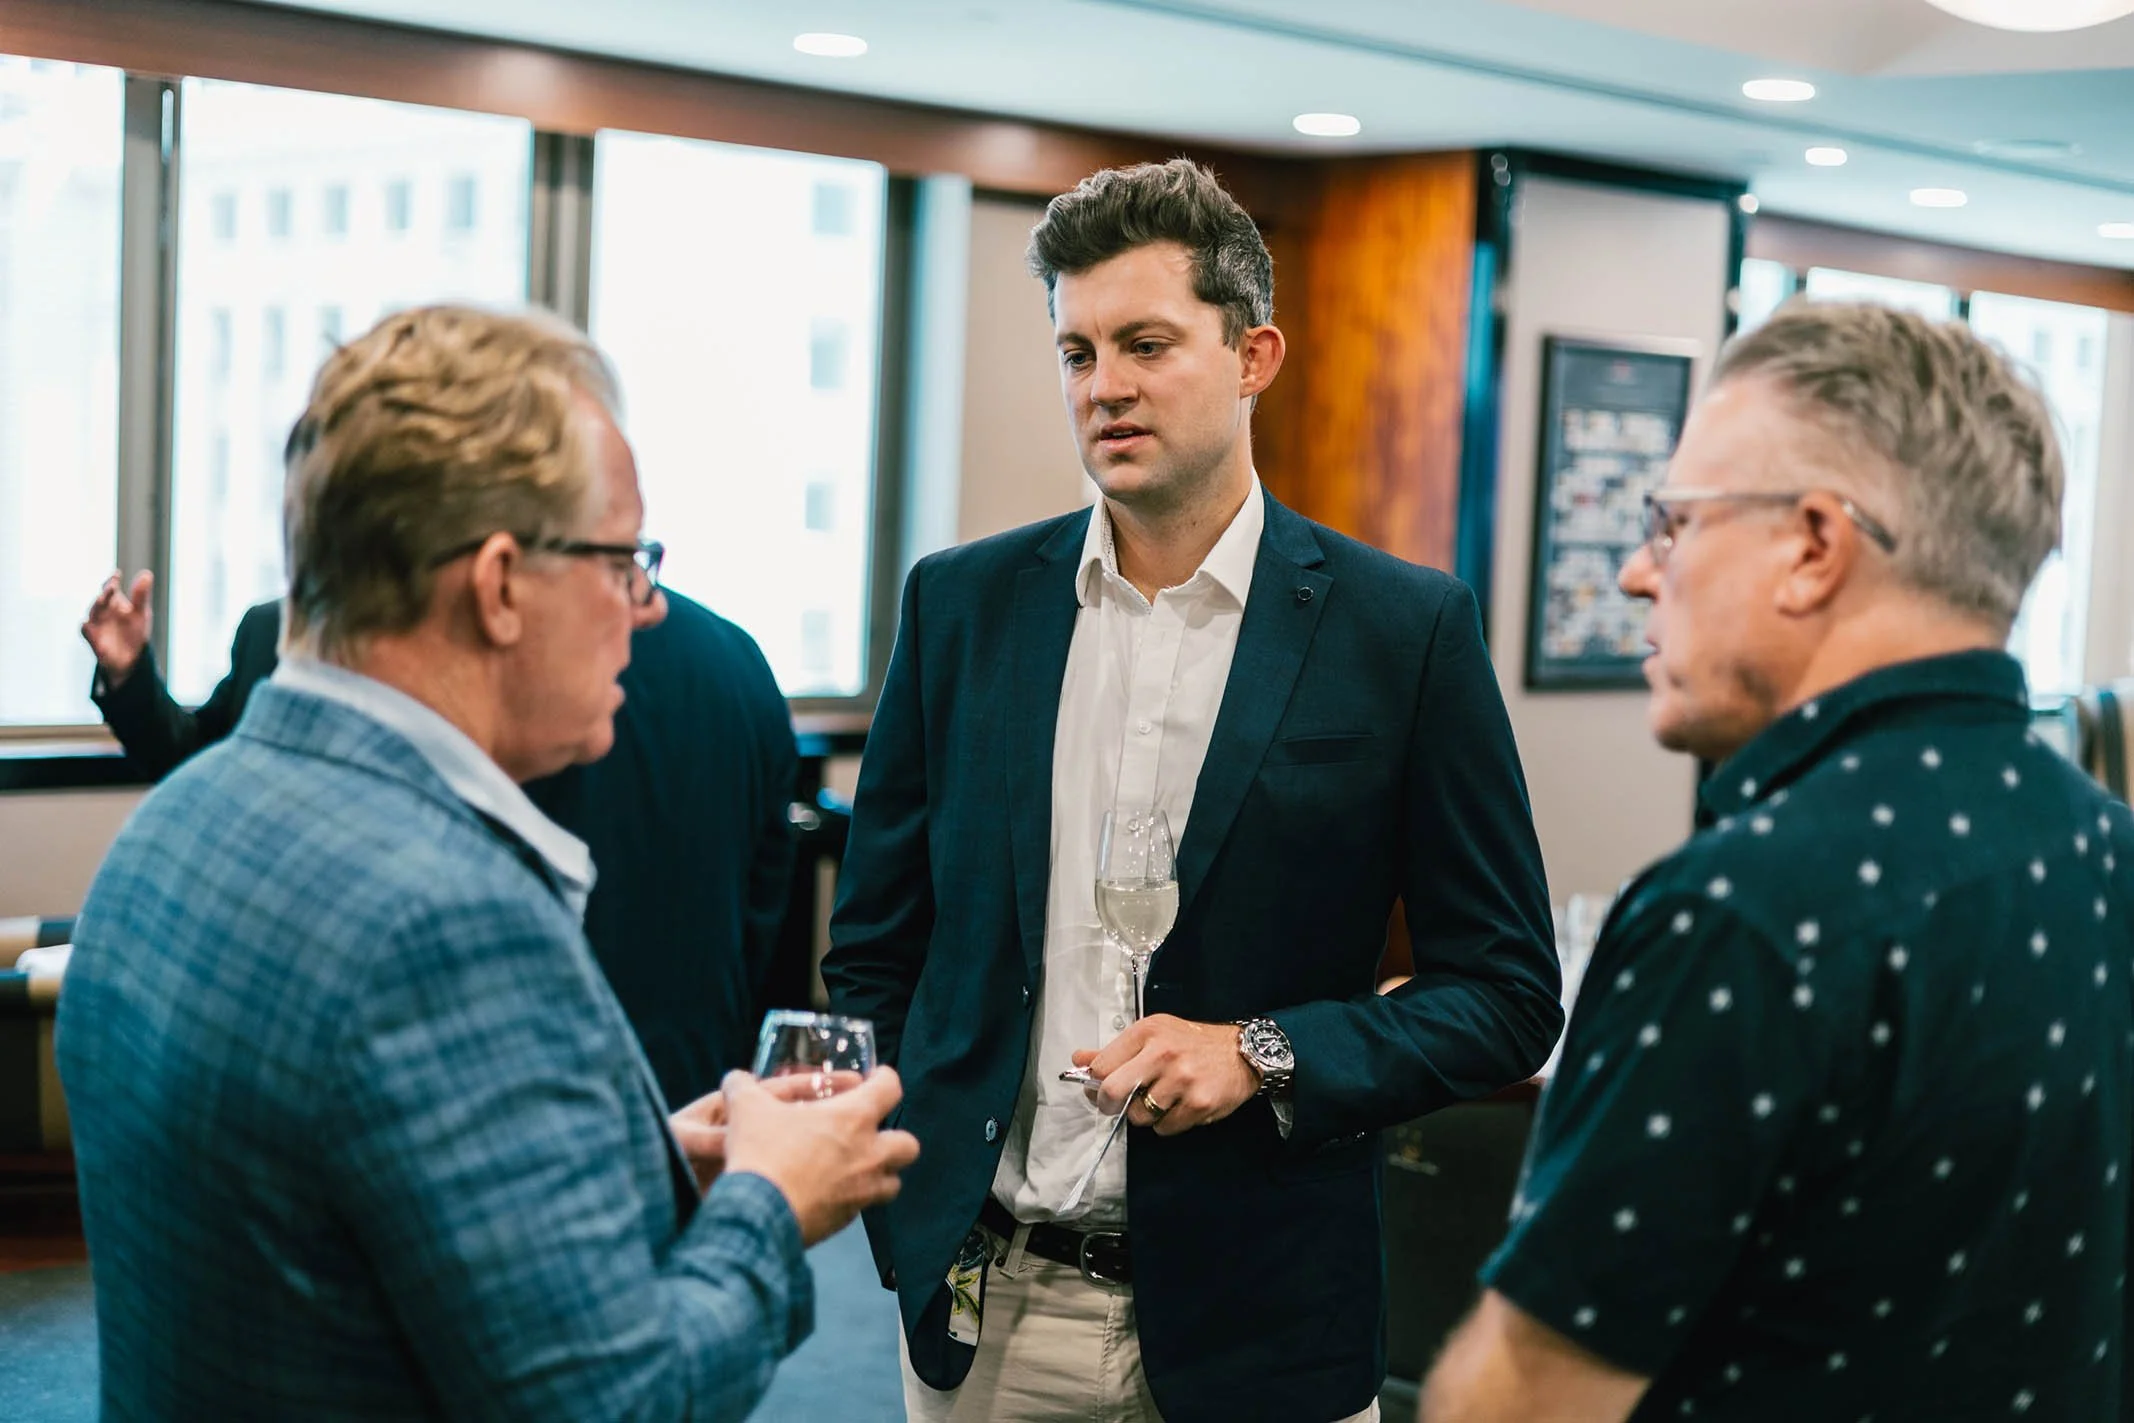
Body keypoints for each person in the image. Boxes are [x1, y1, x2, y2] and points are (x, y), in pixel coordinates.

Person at [58, 305, 918, 1421]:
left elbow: (342, 1195)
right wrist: (768, 1194)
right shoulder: (448, 923)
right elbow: (617, 1402)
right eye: (623, 561)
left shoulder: (175, 821)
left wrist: (638, 1159)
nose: (645, 606)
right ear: (501, 584)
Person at [823, 158, 1561, 1423]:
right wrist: (913, 1198)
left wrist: (1263, 1054)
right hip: (991, 1313)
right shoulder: (960, 607)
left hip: (1265, 1320)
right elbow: (877, 945)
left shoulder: (1402, 631)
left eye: (1147, 344)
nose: (1103, 385)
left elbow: (1503, 995)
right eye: (1076, 351)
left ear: (1252, 355)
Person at [1422, 302, 2131, 1422]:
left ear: (1812, 546)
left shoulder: (1746, 911)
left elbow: (1527, 1402)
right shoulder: (2108, 848)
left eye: (1674, 523)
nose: (1637, 577)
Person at [81, 549, 797, 1109]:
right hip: (698, 1094)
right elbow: (770, 914)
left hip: (523, 1081)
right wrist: (131, 677)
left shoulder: (490, 671)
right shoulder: (740, 660)